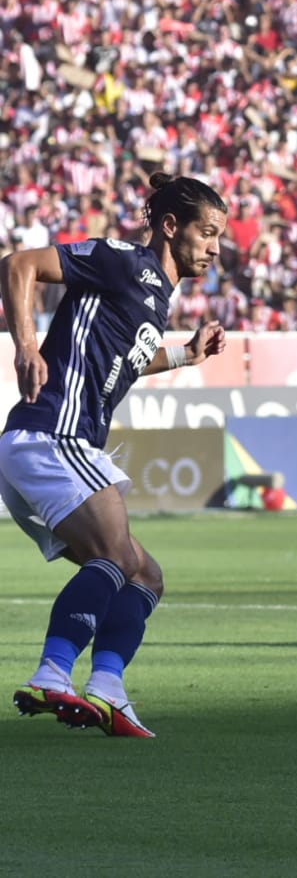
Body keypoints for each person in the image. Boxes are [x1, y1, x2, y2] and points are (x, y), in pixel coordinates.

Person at [2, 173, 230, 737]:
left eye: (218, 236)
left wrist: (183, 356)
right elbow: (18, 265)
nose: (215, 248)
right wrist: (26, 346)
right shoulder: (124, 259)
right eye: (206, 233)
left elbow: (124, 360)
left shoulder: (156, 294)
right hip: (53, 433)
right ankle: (53, 673)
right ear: (171, 226)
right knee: (116, 556)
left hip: (58, 444)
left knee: (145, 576)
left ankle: (107, 689)